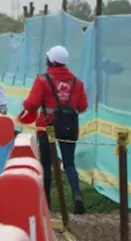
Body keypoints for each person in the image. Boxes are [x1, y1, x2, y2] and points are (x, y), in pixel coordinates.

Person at [18, 45, 89, 213]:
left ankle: (46, 202)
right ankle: (77, 194)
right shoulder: (77, 82)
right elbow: (83, 106)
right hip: (69, 127)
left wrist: (26, 106)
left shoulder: (43, 79)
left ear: (50, 60)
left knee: (46, 164)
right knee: (70, 163)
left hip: (46, 127)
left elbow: (32, 103)